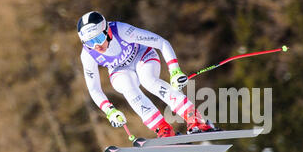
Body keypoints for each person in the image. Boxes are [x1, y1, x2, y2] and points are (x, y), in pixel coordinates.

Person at [77, 11, 216, 138]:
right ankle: (163, 129)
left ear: (108, 32)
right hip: (119, 70)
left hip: (142, 55)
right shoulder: (88, 55)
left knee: (148, 80)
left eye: (99, 38)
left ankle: (195, 119)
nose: (96, 46)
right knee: (126, 86)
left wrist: (175, 71)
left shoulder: (122, 31)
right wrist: (110, 111)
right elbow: (94, 89)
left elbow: (162, 43)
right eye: (90, 42)